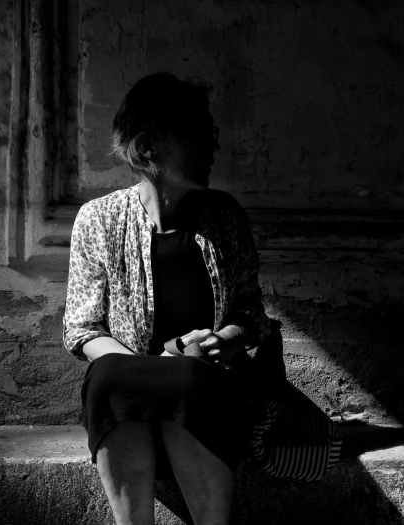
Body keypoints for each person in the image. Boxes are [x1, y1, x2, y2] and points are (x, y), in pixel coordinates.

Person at [62, 72, 274, 525]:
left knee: (189, 378)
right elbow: (82, 330)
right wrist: (148, 370)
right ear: (147, 149)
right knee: (108, 378)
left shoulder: (225, 217)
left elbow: (250, 314)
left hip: (206, 395)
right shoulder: (99, 219)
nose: (212, 146)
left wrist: (222, 340)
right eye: (197, 134)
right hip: (130, 404)